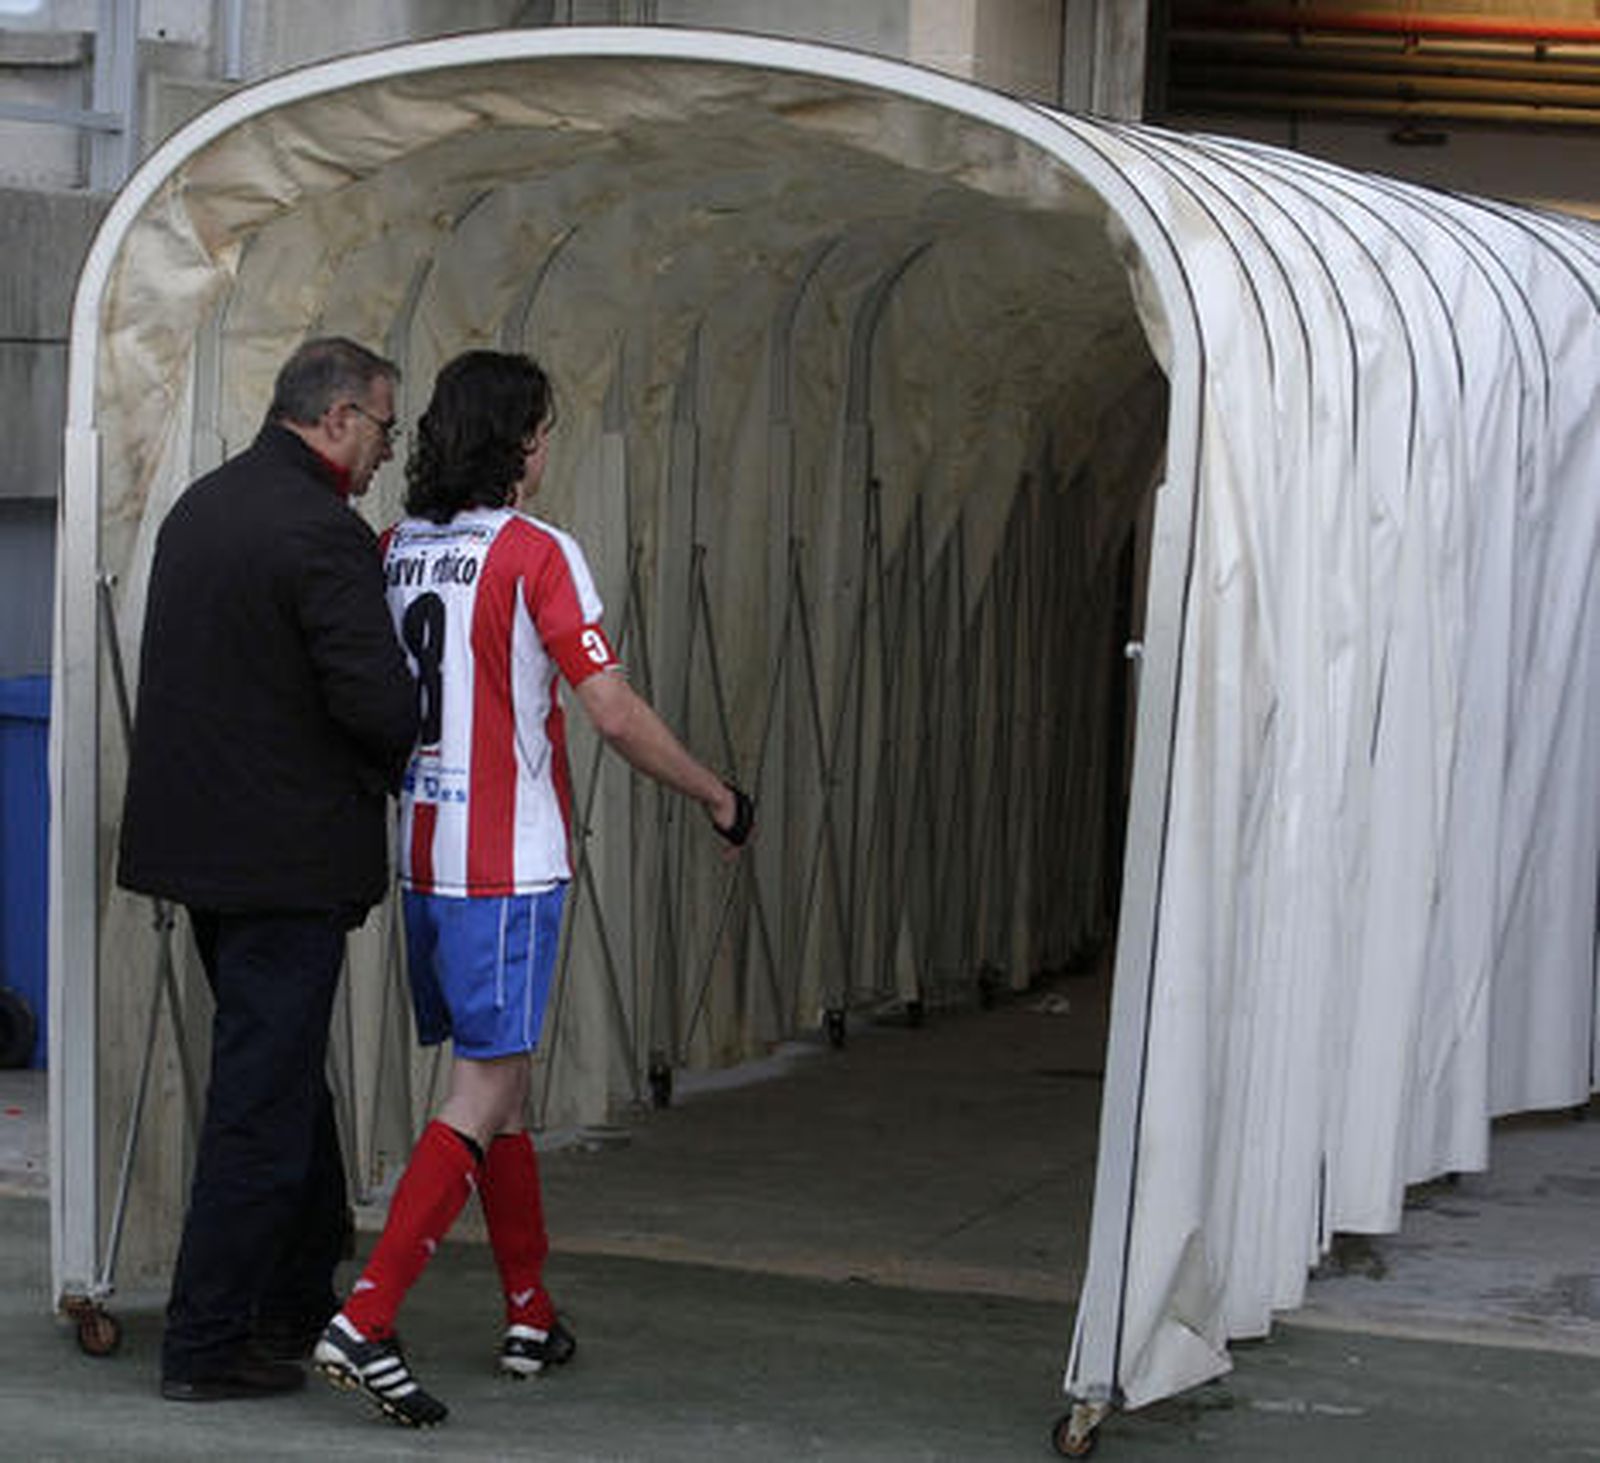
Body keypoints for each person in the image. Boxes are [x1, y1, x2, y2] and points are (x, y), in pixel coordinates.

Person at [313, 350, 754, 1428]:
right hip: (508, 864)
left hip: (421, 849)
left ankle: (527, 1307)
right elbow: (608, 708)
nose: (548, 448)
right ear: (519, 443)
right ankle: (365, 1318)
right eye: (544, 431)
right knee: (480, 1091)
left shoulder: (395, 548)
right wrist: (715, 791)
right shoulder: (536, 552)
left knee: (497, 1085)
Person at [118, 337, 420, 1402]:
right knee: (260, 1097)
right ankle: (205, 1343)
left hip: (206, 856)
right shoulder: (321, 533)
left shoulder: (205, 506)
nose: (390, 450)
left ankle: (299, 1294)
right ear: (338, 416)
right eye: (386, 426)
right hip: (285, 860)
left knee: (284, 1079)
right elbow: (380, 702)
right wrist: (401, 745)